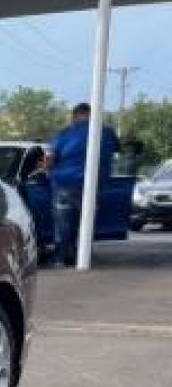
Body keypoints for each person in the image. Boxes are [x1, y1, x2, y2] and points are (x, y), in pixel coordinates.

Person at [45, 103, 120, 266]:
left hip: (65, 183)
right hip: (94, 185)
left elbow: (50, 159)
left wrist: (47, 170)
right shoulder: (107, 133)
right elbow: (117, 150)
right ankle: (83, 256)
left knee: (64, 224)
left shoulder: (64, 134)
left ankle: (61, 258)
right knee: (86, 223)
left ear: (75, 116)